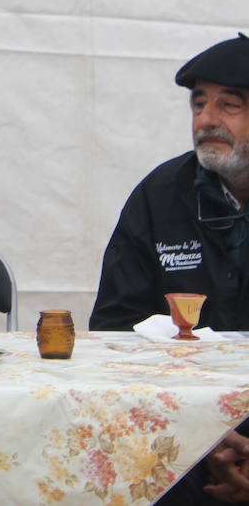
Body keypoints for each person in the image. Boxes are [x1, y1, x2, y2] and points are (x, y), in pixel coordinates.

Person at [92, 34, 249, 504]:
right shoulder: (159, 195)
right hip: (181, 437)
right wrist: (204, 436)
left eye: (230, 105)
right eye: (198, 104)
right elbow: (114, 334)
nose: (207, 120)